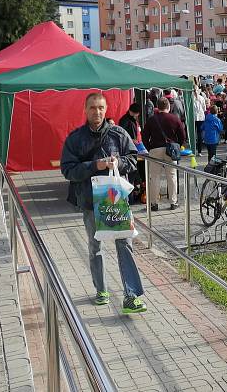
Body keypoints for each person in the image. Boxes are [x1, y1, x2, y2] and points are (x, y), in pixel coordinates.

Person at [60, 93, 146, 313]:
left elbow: (133, 159)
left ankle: (131, 295)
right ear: (85, 109)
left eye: (100, 108)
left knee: (124, 246)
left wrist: (120, 162)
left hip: (116, 203)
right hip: (90, 203)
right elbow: (68, 170)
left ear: (106, 109)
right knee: (95, 247)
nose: (96, 112)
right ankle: (101, 289)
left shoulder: (118, 134)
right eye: (92, 108)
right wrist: (94, 166)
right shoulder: (76, 138)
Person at [144, 97, 186, 211]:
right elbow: (182, 135)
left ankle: (154, 203)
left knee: (155, 177)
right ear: (168, 106)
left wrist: (150, 148)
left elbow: (145, 137)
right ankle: (173, 202)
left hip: (155, 149)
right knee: (172, 176)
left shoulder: (151, 119)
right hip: (170, 150)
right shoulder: (174, 118)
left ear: (157, 107)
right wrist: (177, 146)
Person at [194, 87, 207, 156]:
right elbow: (204, 108)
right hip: (199, 117)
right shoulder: (201, 98)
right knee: (199, 135)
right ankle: (199, 151)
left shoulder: (191, 98)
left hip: (196, 118)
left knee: (196, 135)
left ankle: (197, 151)